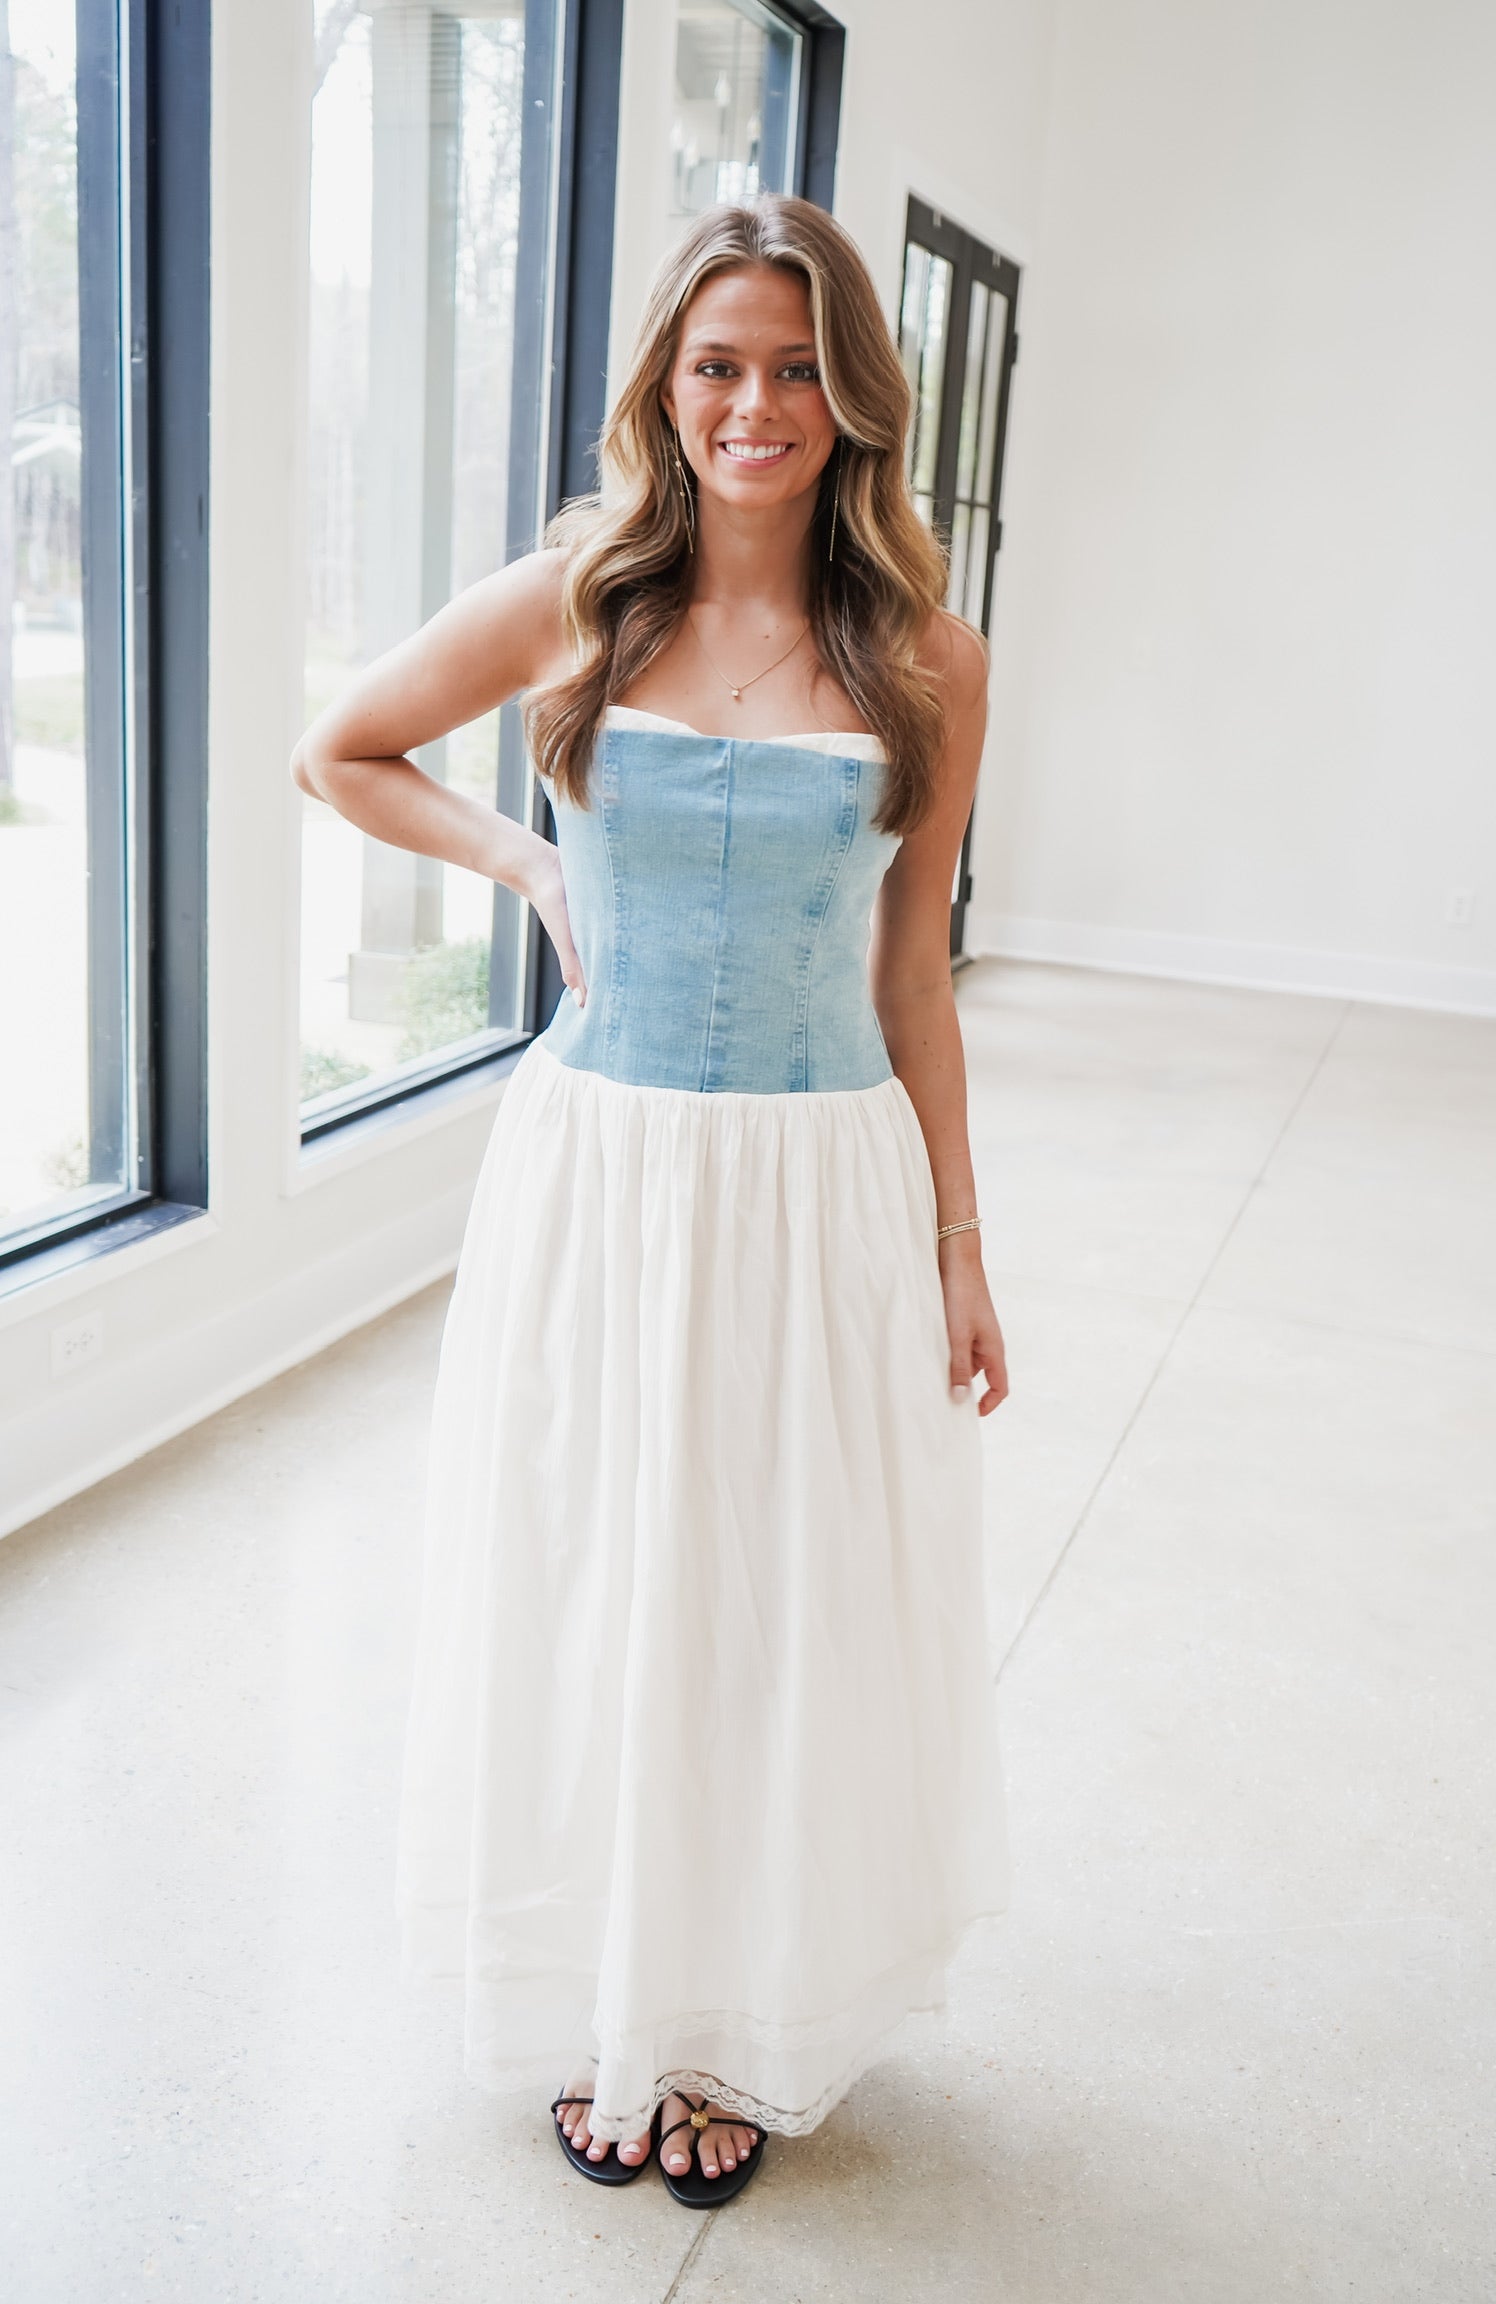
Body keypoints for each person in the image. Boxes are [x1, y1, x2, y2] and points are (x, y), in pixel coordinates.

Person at [291, 194, 1010, 2209]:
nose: (754, 404)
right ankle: (611, 2000)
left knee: (773, 1599)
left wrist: (960, 1247)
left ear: (854, 397)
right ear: (665, 388)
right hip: (603, 1177)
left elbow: (916, 977)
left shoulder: (928, 655)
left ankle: (723, 2025)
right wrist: (528, 865)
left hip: (821, 1184)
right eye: (718, 366)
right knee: (603, 1578)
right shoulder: (577, 603)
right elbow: (339, 750)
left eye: (796, 368)